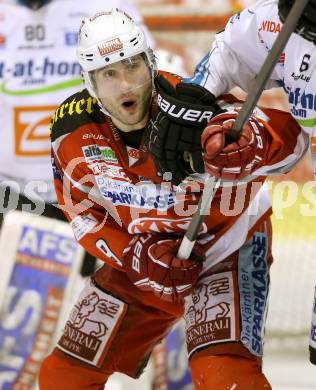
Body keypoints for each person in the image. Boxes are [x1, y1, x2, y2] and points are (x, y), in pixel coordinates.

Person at [39, 8, 308, 390]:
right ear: (89, 82)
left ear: (150, 63)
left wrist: (254, 143)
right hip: (145, 263)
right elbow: (82, 217)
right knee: (63, 377)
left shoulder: (193, 105)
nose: (125, 85)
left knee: (225, 377)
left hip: (225, 251)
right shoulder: (72, 133)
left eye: (132, 66)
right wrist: (133, 255)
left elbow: (296, 144)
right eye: (108, 74)